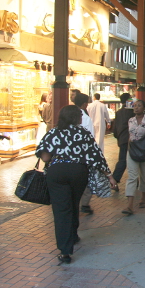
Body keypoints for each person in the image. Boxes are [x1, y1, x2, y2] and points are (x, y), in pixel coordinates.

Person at [36, 105, 112, 264]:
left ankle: (65, 250)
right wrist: (109, 176)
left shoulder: (53, 132)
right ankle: (73, 234)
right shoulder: (83, 133)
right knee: (73, 203)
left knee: (61, 209)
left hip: (57, 172)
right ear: (75, 118)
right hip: (78, 172)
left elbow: (44, 157)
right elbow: (95, 156)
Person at [122, 100, 145, 215]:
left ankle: (143, 197)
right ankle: (129, 205)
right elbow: (130, 136)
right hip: (132, 151)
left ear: (144, 108)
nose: (136, 107)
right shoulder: (130, 120)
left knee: (144, 176)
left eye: (139, 106)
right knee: (132, 177)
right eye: (135, 106)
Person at [74, 93, 97, 215]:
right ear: (84, 104)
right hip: (83, 155)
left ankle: (75, 202)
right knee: (86, 180)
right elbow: (90, 138)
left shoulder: (67, 114)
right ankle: (84, 203)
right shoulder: (85, 119)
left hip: (68, 156)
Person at [110, 93, 134, 191]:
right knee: (129, 160)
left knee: (123, 159)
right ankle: (115, 179)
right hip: (130, 139)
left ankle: (116, 180)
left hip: (122, 139)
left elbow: (115, 128)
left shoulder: (118, 112)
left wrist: (118, 137)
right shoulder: (132, 112)